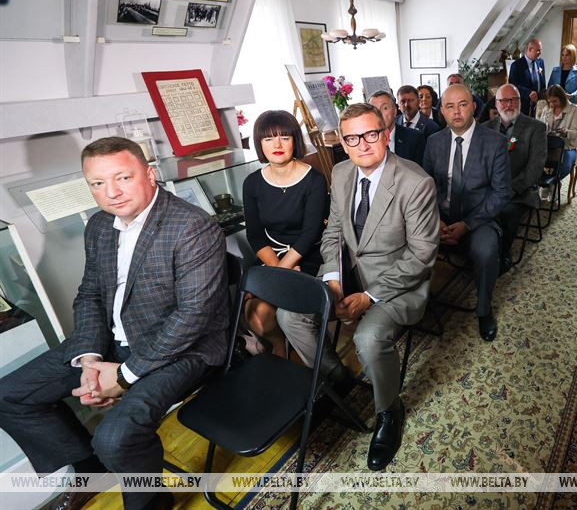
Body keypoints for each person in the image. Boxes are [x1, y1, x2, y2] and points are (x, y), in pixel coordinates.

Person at [0, 137, 228, 510]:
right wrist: (89, 359)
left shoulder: (192, 226)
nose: (112, 193)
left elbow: (193, 316)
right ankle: (90, 472)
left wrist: (123, 376)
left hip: (186, 349)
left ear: (149, 175)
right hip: (112, 341)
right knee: (9, 395)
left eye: (123, 177)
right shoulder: (99, 226)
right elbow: (90, 293)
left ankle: (151, 504)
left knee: (114, 438)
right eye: (98, 183)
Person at [309, 103, 439, 470]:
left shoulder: (416, 183)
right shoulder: (340, 173)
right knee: (291, 314)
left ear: (385, 134)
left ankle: (389, 410)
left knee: (368, 339)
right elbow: (334, 233)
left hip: (399, 282)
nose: (362, 145)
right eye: (352, 138)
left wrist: (368, 296)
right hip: (350, 272)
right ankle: (336, 377)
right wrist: (333, 280)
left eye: (370, 134)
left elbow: (422, 256)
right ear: (343, 143)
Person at [423, 84, 511, 342]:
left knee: (486, 251)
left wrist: (467, 224)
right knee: (404, 240)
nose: (457, 112)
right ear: (442, 111)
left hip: (479, 218)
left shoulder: (495, 142)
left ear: (473, 106)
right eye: (450, 106)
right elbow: (425, 187)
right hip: (440, 217)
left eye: (462, 104)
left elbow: (501, 193)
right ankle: (415, 306)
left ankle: (484, 310)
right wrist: (435, 219)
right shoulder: (433, 142)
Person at [242, 111, 328, 358]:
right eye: (268, 139)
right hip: (271, 257)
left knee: (286, 306)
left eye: (284, 137)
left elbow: (310, 233)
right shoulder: (252, 183)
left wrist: (279, 275)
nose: (277, 145)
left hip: (307, 255)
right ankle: (279, 344)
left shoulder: (314, 180)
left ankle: (309, 355)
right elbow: (255, 235)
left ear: (295, 141)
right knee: (257, 316)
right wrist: (278, 271)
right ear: (259, 144)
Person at [483, 84, 546, 273]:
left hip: (519, 191)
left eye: (514, 100)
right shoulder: (485, 128)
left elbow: (534, 168)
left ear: (520, 101)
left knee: (506, 212)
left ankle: (503, 253)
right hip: (489, 189)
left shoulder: (536, 128)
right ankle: (482, 252)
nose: (509, 104)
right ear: (496, 103)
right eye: (504, 100)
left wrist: (509, 190)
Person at [536, 85, 577, 180]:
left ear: (562, 98)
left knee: (564, 167)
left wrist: (566, 133)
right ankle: (546, 182)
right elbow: (540, 128)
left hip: (567, 147)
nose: (552, 104)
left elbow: (575, 133)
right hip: (548, 146)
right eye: (549, 101)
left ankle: (551, 183)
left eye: (554, 101)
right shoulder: (546, 109)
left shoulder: (574, 109)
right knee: (533, 161)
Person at [370, 90, 426, 166]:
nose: (379, 114)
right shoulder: (363, 141)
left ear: (395, 111)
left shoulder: (415, 138)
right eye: (374, 110)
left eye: (385, 108)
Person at [508, 38, 545, 116]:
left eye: (540, 50)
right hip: (524, 106)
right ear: (530, 49)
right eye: (538, 50)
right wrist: (528, 93)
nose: (540, 53)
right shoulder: (516, 65)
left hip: (539, 106)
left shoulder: (540, 62)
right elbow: (513, 85)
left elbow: (542, 83)